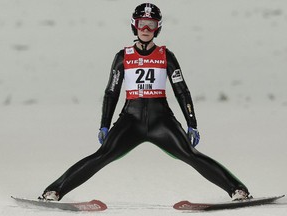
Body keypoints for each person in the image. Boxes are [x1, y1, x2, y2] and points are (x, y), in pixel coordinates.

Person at [40, 3, 250, 201]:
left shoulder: (166, 55)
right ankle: (54, 191)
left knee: (190, 155)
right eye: (142, 24)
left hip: (162, 122)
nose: (146, 29)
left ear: (158, 28)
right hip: (131, 120)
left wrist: (192, 123)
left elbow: (182, 92)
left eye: (152, 25)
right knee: (102, 156)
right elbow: (111, 93)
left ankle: (237, 190)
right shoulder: (123, 56)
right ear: (135, 25)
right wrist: (104, 124)